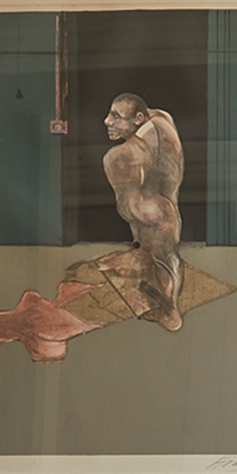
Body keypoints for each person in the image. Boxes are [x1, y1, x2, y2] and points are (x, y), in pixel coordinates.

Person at [98, 92, 186, 331]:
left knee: (163, 262)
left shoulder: (122, 157)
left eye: (117, 117)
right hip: (165, 208)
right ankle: (165, 304)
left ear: (138, 118)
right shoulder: (161, 119)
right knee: (166, 258)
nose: (107, 121)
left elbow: (128, 207)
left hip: (152, 215)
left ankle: (170, 315)